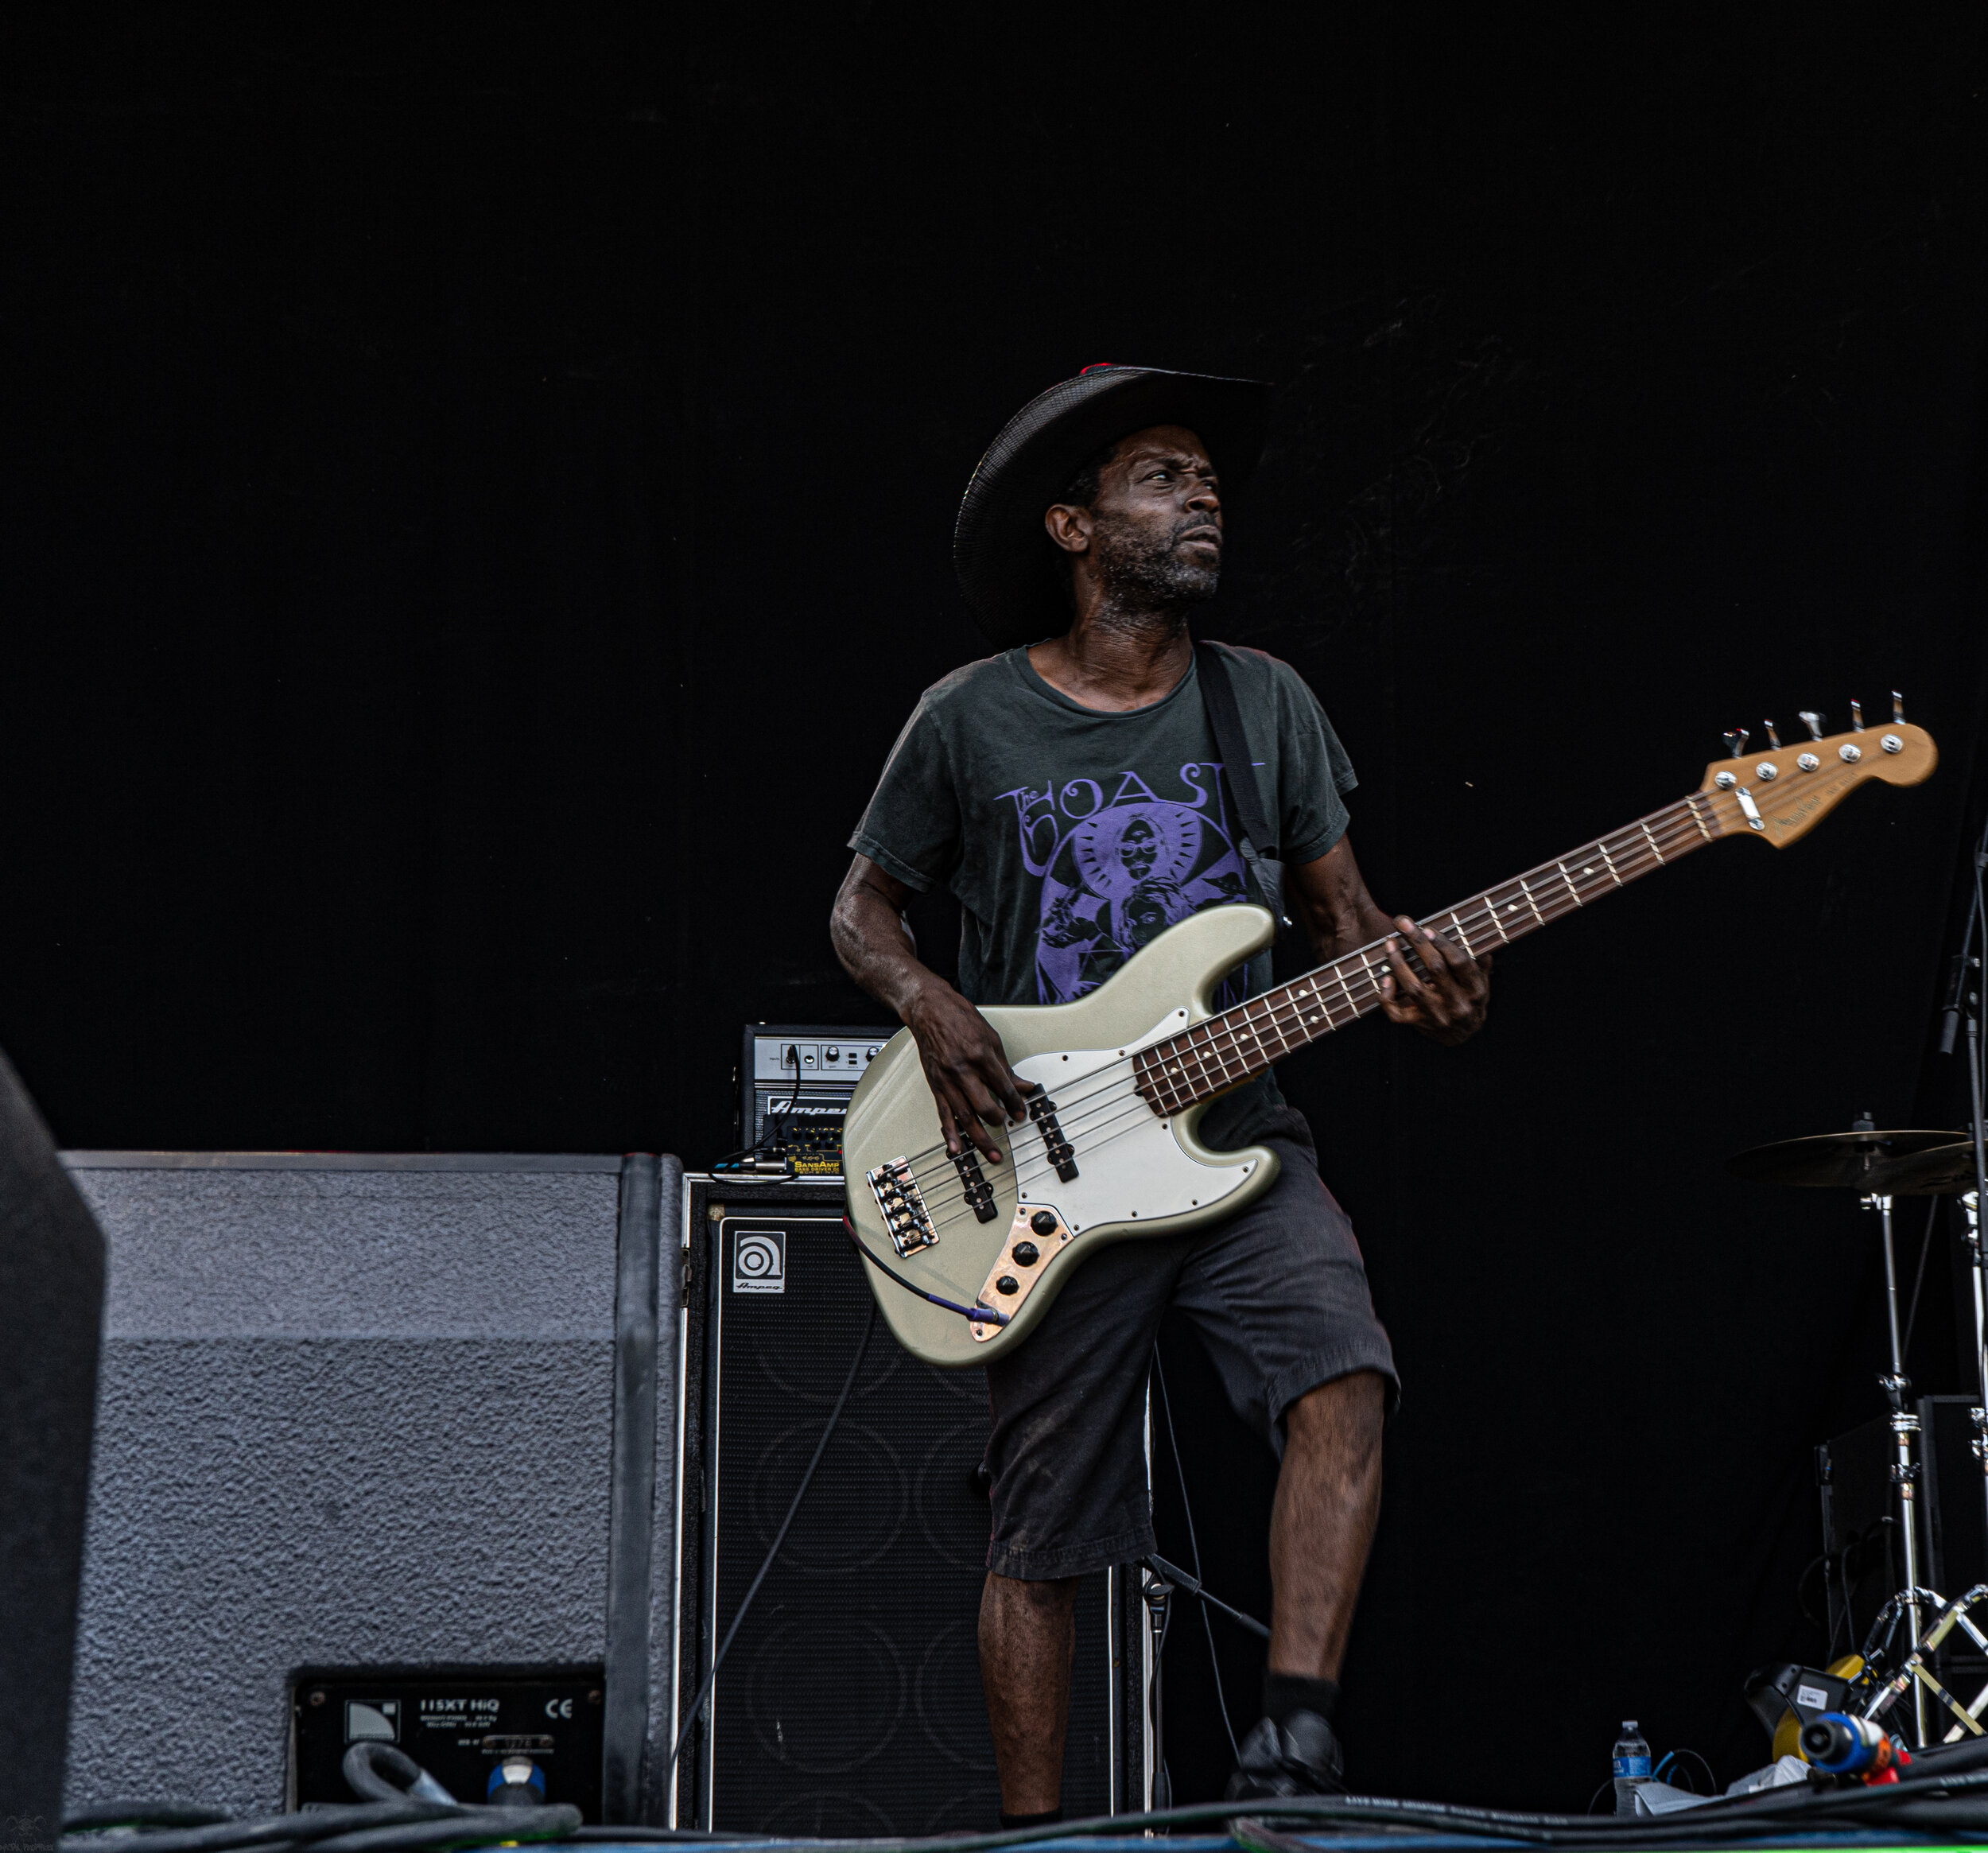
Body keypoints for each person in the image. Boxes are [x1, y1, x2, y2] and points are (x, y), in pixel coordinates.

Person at [829, 364, 1490, 1815]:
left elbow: (1349, 932)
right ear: (1072, 526)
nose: (1202, 494)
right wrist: (926, 998)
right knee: (1043, 1533)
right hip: (1044, 1171)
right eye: (1159, 473)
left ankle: (1294, 1741)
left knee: (1347, 1376)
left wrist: (1440, 987)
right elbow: (861, 911)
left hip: (1241, 1146)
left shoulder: (1266, 707)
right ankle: (1036, 1842)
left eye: (1206, 476)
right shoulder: (969, 718)